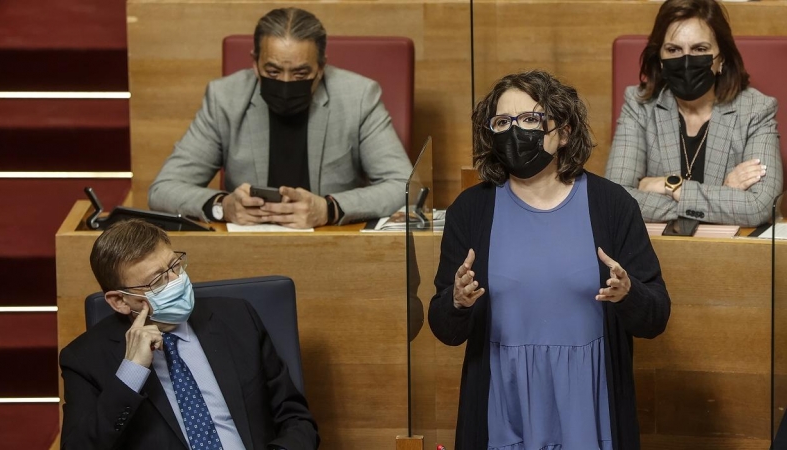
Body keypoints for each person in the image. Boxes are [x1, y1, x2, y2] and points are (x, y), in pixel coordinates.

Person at [428, 70, 671, 450]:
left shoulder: (611, 205)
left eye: (529, 119)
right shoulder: (471, 210)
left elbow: (656, 316)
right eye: (502, 122)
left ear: (565, 131)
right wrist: (457, 302)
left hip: (589, 400)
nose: (514, 131)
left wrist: (628, 293)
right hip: (503, 402)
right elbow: (445, 328)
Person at [59, 219, 319, 449]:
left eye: (175, 265)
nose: (176, 281)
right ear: (120, 301)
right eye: (157, 281)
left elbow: (295, 418)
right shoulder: (84, 359)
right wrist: (131, 372)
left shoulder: (237, 318)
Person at [148, 7, 413, 228]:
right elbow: (164, 189)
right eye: (273, 72)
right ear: (255, 63)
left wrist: (329, 209)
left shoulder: (358, 97)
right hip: (246, 251)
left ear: (321, 67)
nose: (286, 83)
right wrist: (222, 206)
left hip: (333, 244)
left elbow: (405, 187)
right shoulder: (224, 98)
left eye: (300, 74)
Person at [605, 0, 782, 227]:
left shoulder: (756, 110)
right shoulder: (639, 105)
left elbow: (759, 206)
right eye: (673, 50)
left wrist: (670, 186)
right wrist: (721, 195)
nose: (686, 61)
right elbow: (615, 199)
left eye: (700, 49)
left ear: (722, 59)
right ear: (660, 59)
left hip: (728, 253)